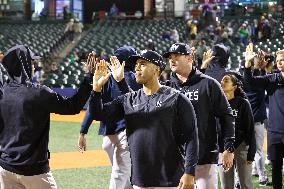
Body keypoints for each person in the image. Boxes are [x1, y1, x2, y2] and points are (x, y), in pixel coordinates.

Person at [89, 50, 198, 189]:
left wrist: (189, 172)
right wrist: (96, 88)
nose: (136, 68)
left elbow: (192, 137)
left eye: (142, 64)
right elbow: (98, 114)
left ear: (156, 69)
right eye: (135, 65)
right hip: (140, 181)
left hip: (171, 180)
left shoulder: (176, 98)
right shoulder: (129, 100)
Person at [0, 45, 94, 189]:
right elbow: (73, 106)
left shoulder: (2, 93)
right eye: (31, 62)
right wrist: (88, 78)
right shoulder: (38, 93)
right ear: (24, 64)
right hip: (33, 171)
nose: (34, 66)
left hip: (5, 169)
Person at [163, 43, 235, 189]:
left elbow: (226, 116)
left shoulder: (209, 84)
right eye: (170, 57)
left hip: (204, 157)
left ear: (189, 57)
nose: (172, 59)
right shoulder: (166, 88)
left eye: (177, 55)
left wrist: (228, 148)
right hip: (175, 160)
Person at [78, 46, 141, 189]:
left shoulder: (105, 77)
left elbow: (93, 108)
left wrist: (83, 131)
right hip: (125, 131)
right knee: (124, 171)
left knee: (121, 170)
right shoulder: (132, 77)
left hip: (112, 133)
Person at [244, 43, 284, 189]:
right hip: (274, 133)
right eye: (278, 60)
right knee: (276, 169)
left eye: (282, 60)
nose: (279, 63)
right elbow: (250, 82)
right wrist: (248, 66)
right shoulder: (272, 79)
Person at [219, 73, 256, 189]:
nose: (222, 82)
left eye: (226, 80)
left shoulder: (242, 103)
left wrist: (251, 153)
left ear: (234, 86)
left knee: (245, 184)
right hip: (224, 149)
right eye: (222, 80)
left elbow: (250, 128)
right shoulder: (217, 104)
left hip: (241, 147)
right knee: (226, 185)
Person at [243, 51, 269, 186]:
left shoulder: (244, 81)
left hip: (245, 121)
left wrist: (259, 67)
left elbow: (251, 77)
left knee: (243, 151)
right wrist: (261, 67)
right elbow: (264, 79)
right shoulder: (257, 82)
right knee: (258, 151)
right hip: (256, 121)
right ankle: (262, 177)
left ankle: (247, 174)